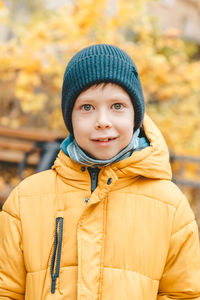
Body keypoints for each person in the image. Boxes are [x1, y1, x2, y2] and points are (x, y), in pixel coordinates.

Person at [0, 44, 200, 300]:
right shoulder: (25, 200)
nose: (102, 120)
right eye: (86, 107)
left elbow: (183, 293)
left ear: (136, 116)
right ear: (69, 117)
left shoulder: (170, 206)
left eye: (117, 106)